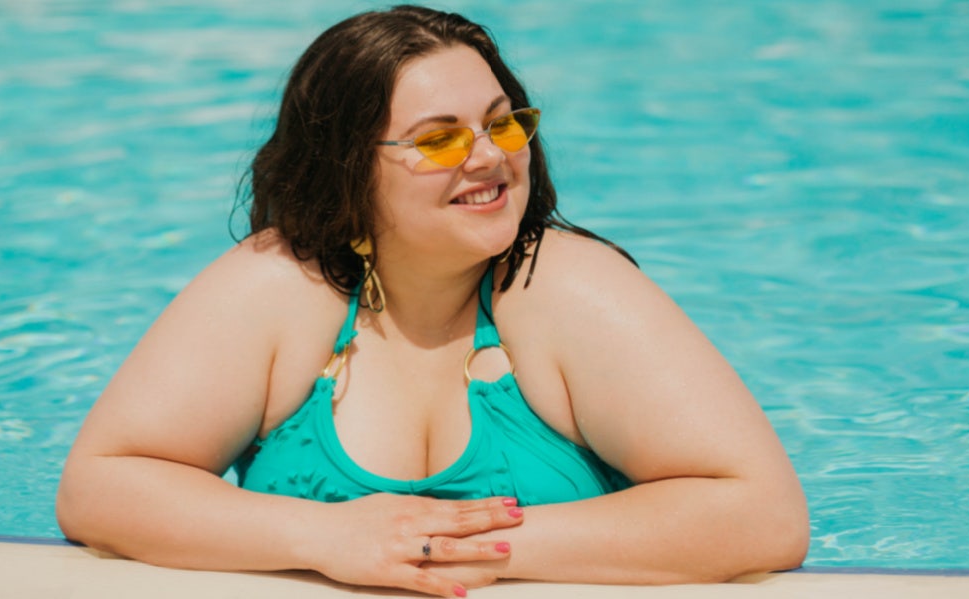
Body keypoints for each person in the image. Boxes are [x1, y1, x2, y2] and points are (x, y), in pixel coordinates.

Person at [56, 5, 809, 598]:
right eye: (441, 139)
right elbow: (100, 487)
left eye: (502, 120)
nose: (490, 155)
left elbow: (762, 515)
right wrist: (321, 536)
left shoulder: (567, 289)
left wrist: (440, 545)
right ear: (351, 168)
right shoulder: (279, 287)